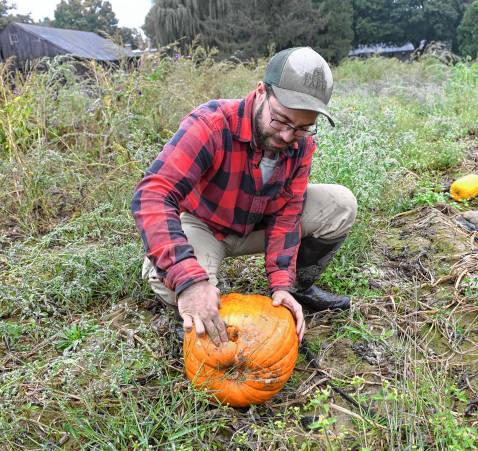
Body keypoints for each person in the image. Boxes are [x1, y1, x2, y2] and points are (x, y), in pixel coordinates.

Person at [131, 47, 357, 347]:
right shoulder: (211, 124)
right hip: (204, 225)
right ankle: (189, 305)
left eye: (302, 128)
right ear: (261, 91)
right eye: (280, 121)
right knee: (174, 281)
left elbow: (288, 213)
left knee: (340, 205)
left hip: (256, 225)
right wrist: (188, 279)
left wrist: (281, 283)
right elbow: (152, 195)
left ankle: (298, 289)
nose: (288, 136)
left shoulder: (301, 146)